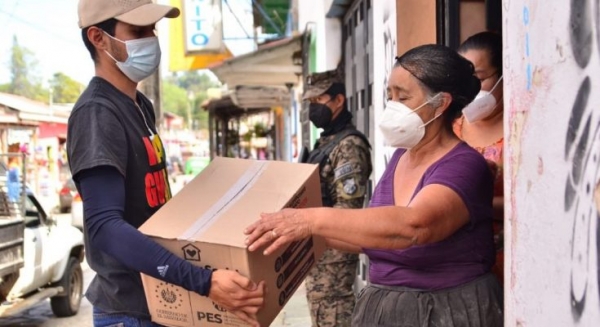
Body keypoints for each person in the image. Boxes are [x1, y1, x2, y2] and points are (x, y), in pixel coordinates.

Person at [246, 44, 503, 326]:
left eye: (402, 97)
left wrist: (310, 220)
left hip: (444, 310)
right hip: (385, 308)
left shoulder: (464, 165)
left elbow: (414, 227)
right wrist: (294, 233)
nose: (391, 105)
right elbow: (375, 237)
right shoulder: (400, 158)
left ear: (440, 103)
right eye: (389, 95)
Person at [68, 1, 264, 326]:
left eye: (152, 29)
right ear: (98, 38)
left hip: (160, 302)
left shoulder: (139, 106)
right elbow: (105, 227)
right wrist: (204, 281)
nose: (152, 39)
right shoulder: (97, 113)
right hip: (129, 312)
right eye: (138, 31)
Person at [300, 68, 372, 326]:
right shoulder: (326, 142)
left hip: (334, 250)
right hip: (319, 245)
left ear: (338, 100)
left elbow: (348, 210)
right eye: (310, 102)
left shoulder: (349, 144)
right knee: (321, 310)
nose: (313, 108)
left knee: (334, 312)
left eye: (318, 101)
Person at [454, 31, 505, 285]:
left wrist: (468, 206)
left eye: (480, 78)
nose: (470, 88)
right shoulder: (450, 128)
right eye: (464, 79)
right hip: (459, 271)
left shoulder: (523, 133)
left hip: (510, 265)